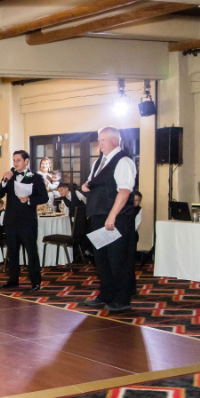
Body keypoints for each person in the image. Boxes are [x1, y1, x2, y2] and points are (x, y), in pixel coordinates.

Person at [81, 126, 138, 312]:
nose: (100, 144)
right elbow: (92, 183)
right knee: (102, 258)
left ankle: (122, 298)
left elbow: (124, 191)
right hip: (98, 216)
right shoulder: (98, 163)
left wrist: (112, 216)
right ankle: (106, 293)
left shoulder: (124, 161)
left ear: (115, 140)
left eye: (103, 140)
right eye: (99, 140)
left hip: (116, 218)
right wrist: (85, 186)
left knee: (118, 260)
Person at [0, 150, 48, 290]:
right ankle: (13, 280)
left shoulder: (36, 178)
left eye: (18, 160)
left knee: (31, 252)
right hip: (11, 221)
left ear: (26, 161)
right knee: (12, 252)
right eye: (14, 160)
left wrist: (30, 199)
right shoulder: (10, 177)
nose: (15, 163)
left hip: (27, 221)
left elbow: (44, 197)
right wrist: (3, 182)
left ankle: (35, 281)